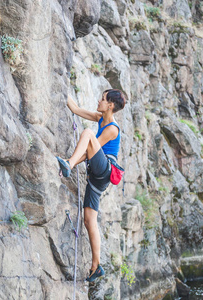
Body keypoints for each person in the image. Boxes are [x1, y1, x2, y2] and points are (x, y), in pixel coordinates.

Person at [56, 89, 126, 282]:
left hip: (104, 169)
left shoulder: (112, 128)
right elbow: (76, 109)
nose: (98, 100)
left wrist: (69, 163)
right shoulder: (100, 118)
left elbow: (89, 152)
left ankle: (68, 164)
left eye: (102, 99)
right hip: (96, 177)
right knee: (89, 220)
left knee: (87, 133)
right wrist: (61, 87)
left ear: (110, 105)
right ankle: (96, 267)